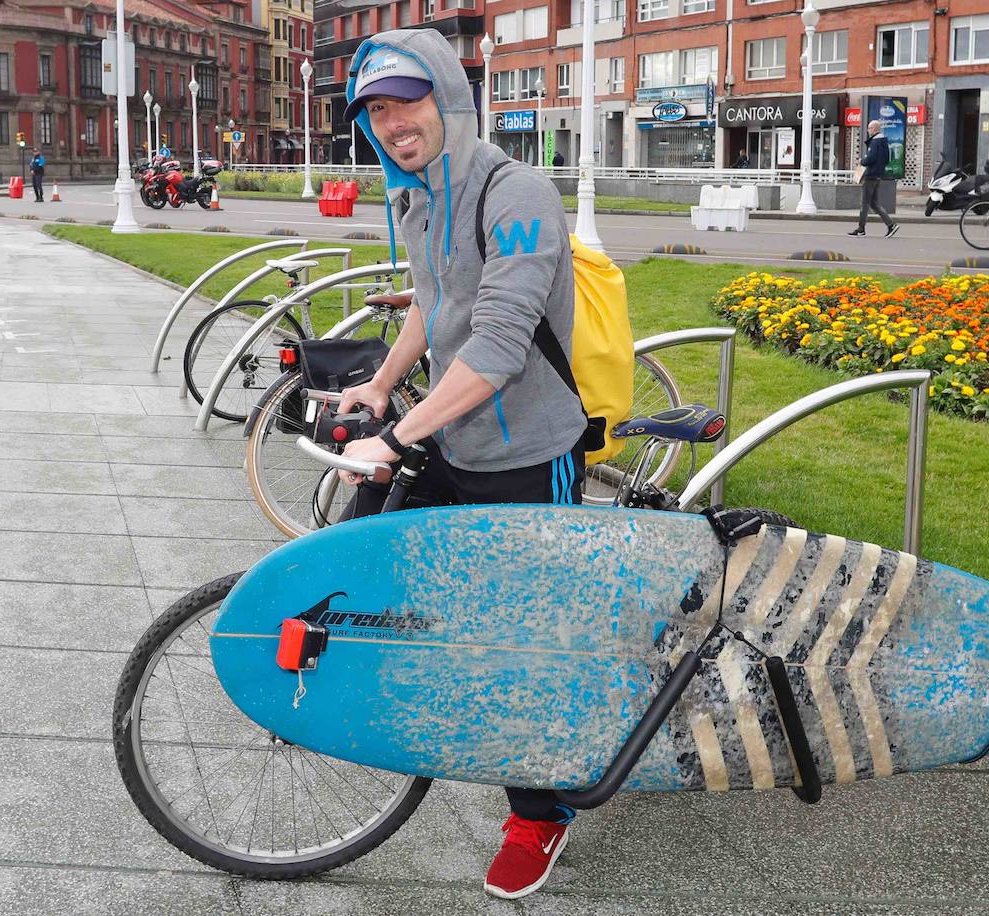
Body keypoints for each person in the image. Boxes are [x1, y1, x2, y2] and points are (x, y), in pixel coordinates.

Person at [334, 29, 586, 901]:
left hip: (529, 454)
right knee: (360, 556)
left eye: (405, 101)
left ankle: (541, 813)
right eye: (375, 109)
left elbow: (500, 345)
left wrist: (399, 436)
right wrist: (381, 385)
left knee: (525, 642)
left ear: (446, 96)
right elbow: (436, 306)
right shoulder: (418, 199)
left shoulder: (517, 193)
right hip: (457, 438)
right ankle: (416, 692)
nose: (391, 122)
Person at [848, 119, 899, 238]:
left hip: (870, 175)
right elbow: (886, 159)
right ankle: (891, 225)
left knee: (865, 203)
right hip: (878, 175)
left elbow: (871, 158)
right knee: (874, 204)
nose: (868, 130)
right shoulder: (884, 142)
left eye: (869, 128)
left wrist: (862, 161)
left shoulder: (875, 142)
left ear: (874, 129)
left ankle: (861, 229)